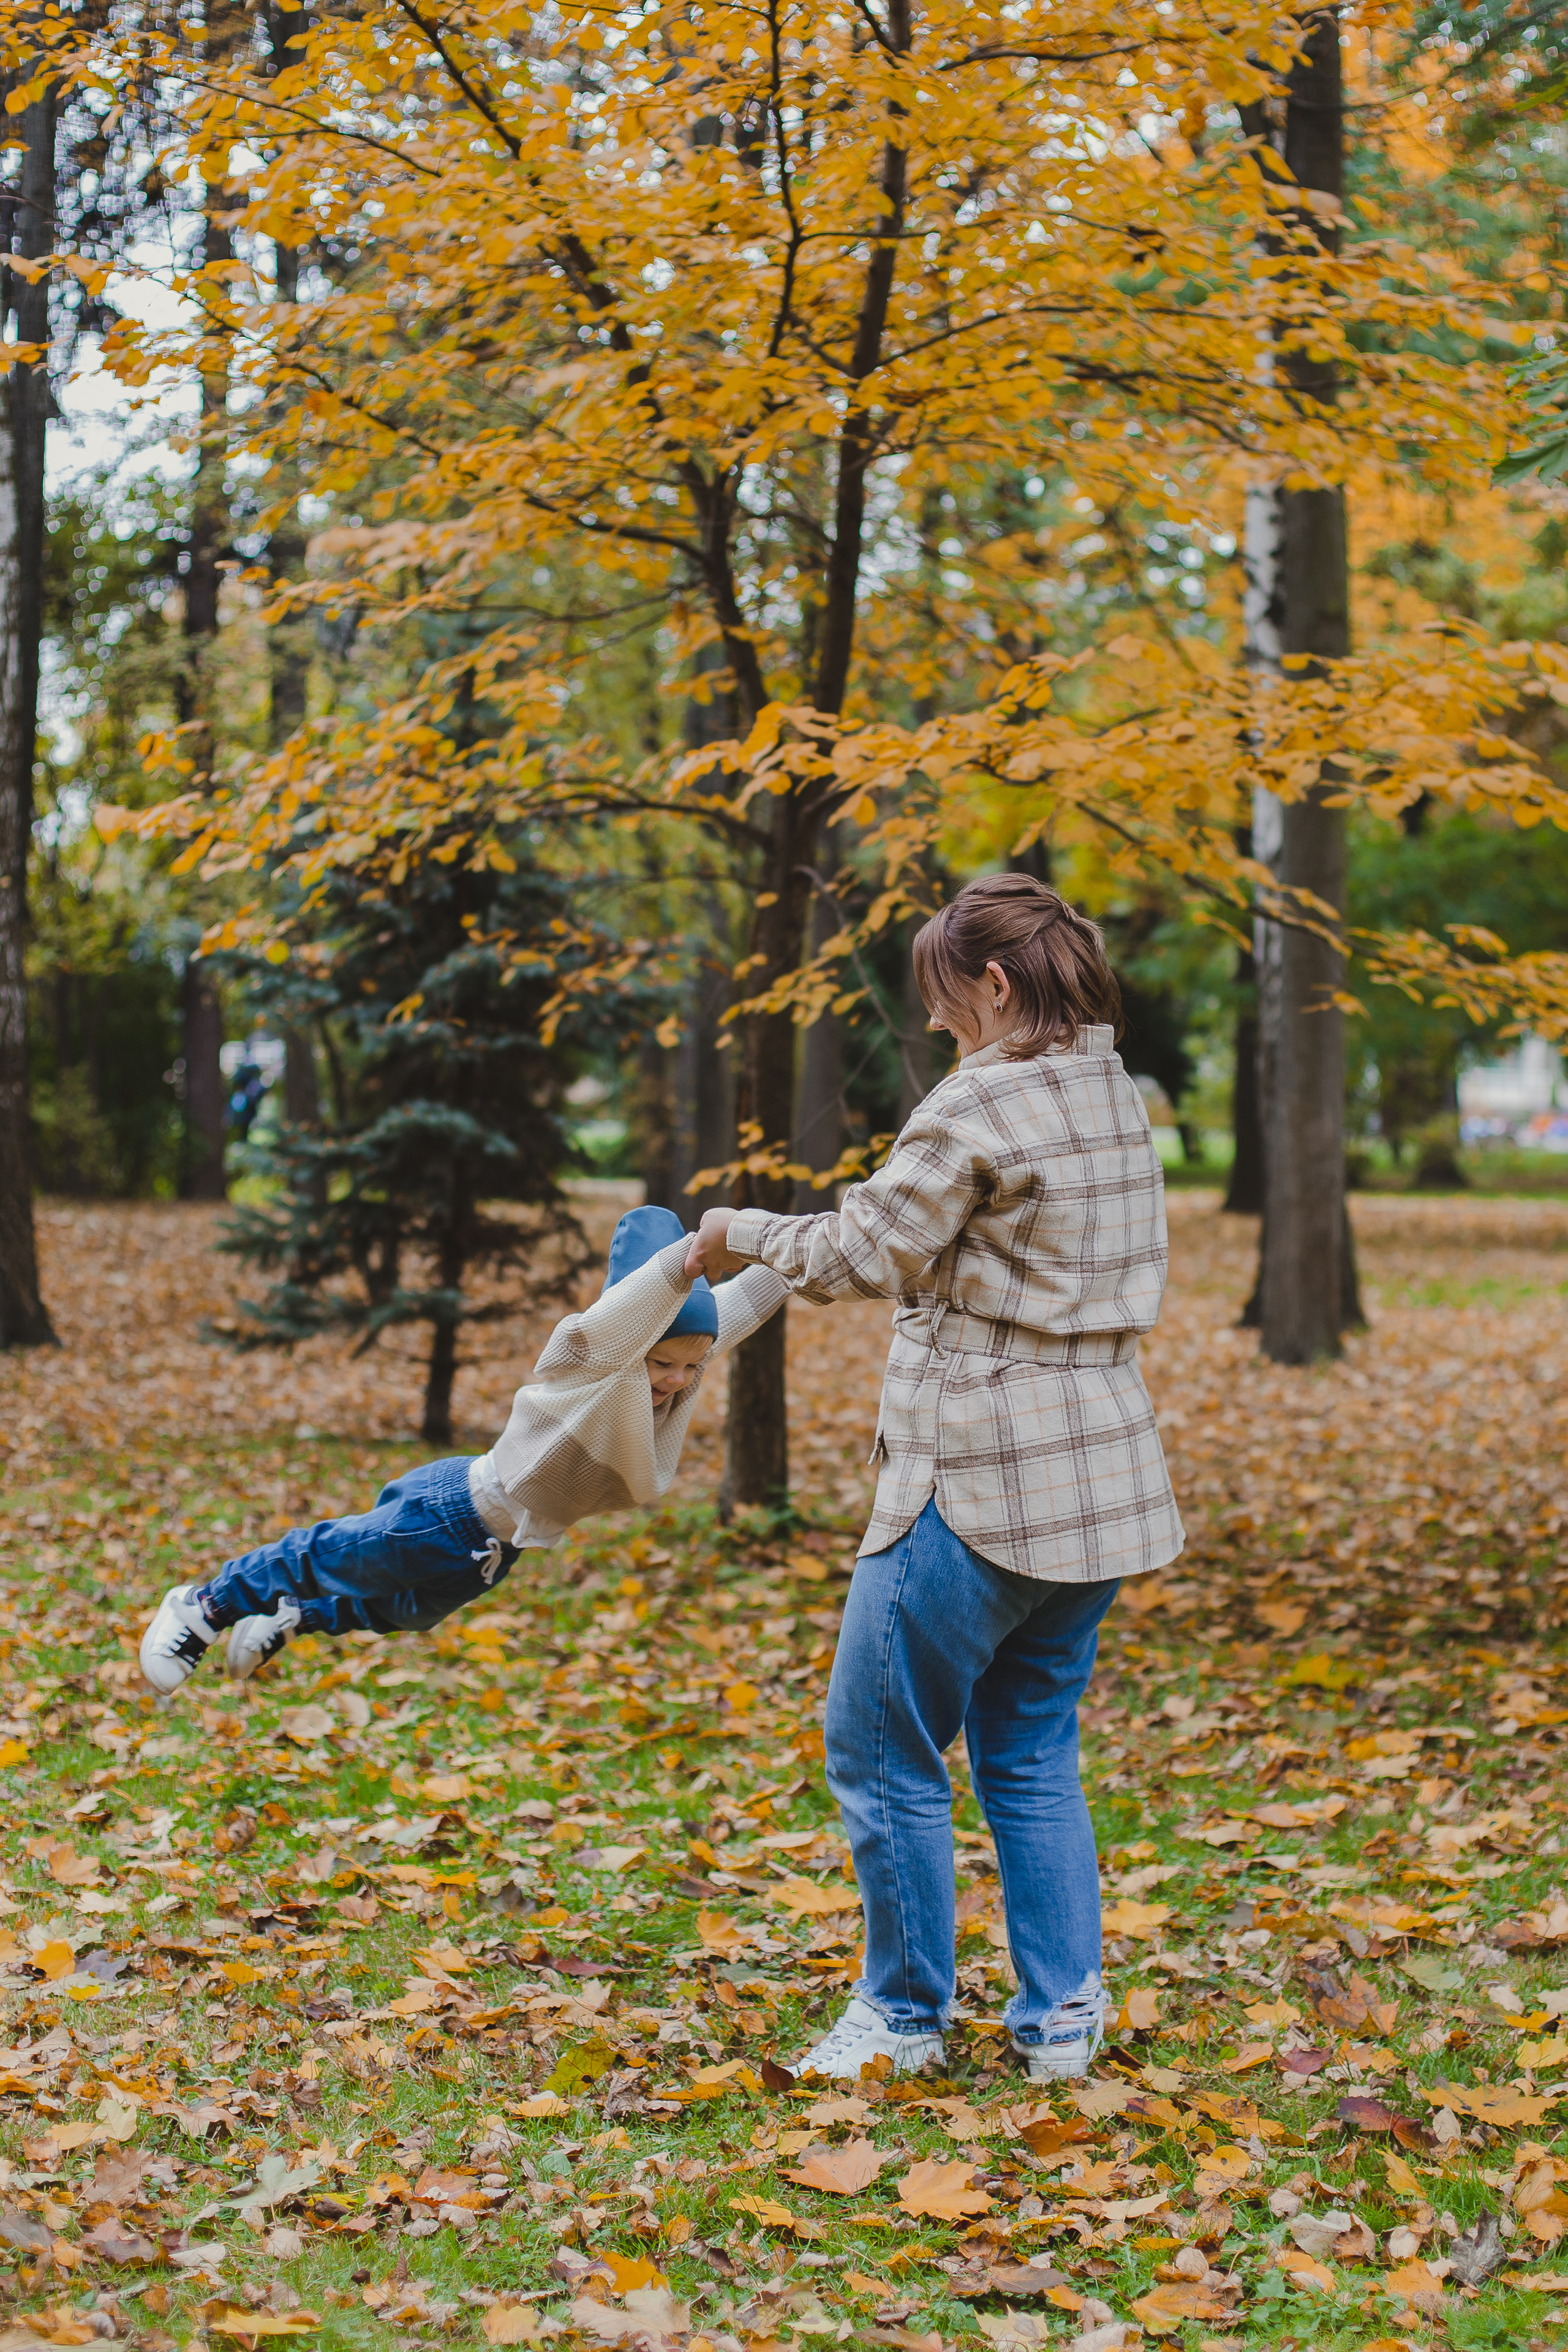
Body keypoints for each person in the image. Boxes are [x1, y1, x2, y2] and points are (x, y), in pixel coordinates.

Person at [686, 873, 1184, 2083]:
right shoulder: (1114, 1094)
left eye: (944, 999)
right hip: (1103, 1482)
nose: (933, 1025)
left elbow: (861, 1251)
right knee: (1026, 1749)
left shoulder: (979, 1106)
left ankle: (901, 2016)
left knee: (874, 1746)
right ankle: (1061, 2018)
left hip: (977, 1480)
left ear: (997, 984)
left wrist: (733, 1228)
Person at [138, 1207, 786, 1694]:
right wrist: (689, 1262)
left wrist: (809, 1251)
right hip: (452, 1509)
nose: (677, 1379)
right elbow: (624, 1319)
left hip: (501, 1545)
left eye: (690, 1367)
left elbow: (743, 1306)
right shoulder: (597, 1359)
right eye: (664, 1362)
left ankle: (294, 1619)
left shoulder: (683, 1360)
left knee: (406, 1610)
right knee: (332, 1556)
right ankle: (205, 1606)